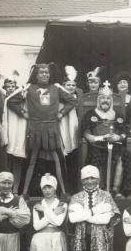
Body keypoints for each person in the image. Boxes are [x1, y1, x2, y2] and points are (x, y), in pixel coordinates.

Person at [5, 63, 78, 195]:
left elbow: (72, 101)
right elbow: (11, 101)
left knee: (59, 160)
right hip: (34, 129)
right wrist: (23, 112)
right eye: (41, 72)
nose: (44, 74)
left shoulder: (56, 88)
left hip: (52, 129)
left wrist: (61, 113)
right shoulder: (28, 88)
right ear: (36, 75)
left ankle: (64, 192)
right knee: (31, 160)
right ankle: (24, 193)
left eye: (47, 72)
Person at [81, 81, 129, 193]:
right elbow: (86, 134)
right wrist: (103, 137)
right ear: (99, 100)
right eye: (102, 98)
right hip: (97, 146)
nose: (105, 100)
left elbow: (125, 132)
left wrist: (118, 137)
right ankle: (98, 189)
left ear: (111, 101)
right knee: (95, 157)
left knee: (124, 156)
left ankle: (116, 190)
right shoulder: (90, 114)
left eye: (108, 98)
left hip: (115, 146)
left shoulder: (118, 115)